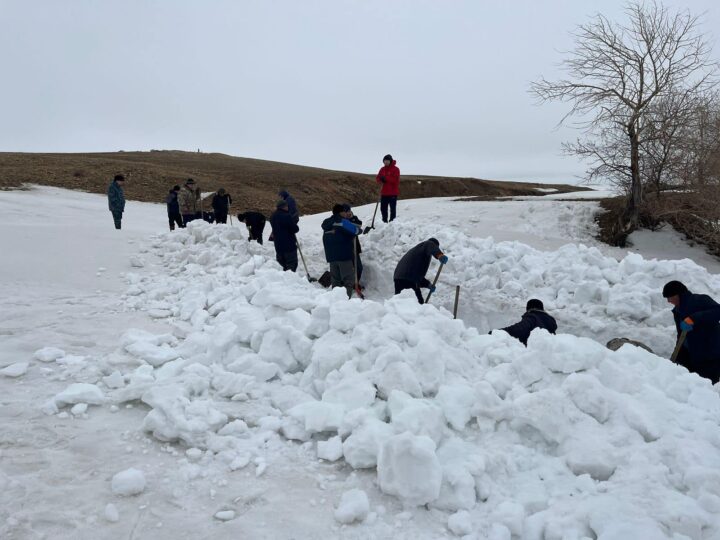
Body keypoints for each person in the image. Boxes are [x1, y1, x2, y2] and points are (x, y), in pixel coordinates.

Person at [663, 280, 720, 384]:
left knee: (707, 388)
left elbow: (718, 311)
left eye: (670, 297)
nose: (668, 301)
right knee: (687, 386)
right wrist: (677, 355)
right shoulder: (677, 311)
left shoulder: (700, 300)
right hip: (689, 356)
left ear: (678, 295)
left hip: (709, 356)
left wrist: (694, 318)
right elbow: (681, 335)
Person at [322, 205, 362, 297]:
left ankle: (336, 300)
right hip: (343, 255)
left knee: (335, 280)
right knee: (348, 279)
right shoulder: (342, 221)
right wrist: (358, 230)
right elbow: (356, 231)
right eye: (344, 211)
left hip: (331, 256)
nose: (345, 213)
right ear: (340, 212)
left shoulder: (327, 222)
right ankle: (345, 301)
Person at [393, 238, 447, 304]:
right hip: (408, 279)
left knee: (400, 303)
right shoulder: (426, 244)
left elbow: (417, 275)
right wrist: (439, 255)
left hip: (400, 278)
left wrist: (427, 284)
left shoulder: (418, 252)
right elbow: (429, 244)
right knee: (418, 304)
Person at [270, 200, 300, 271]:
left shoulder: (273, 216)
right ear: (284, 207)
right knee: (291, 264)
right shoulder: (286, 216)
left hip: (278, 246)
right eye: (287, 206)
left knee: (282, 265)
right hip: (289, 246)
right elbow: (295, 229)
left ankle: (284, 280)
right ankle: (290, 280)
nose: (287, 207)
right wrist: (294, 223)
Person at [343, 204, 364, 284]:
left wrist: (351, 219)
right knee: (348, 268)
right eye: (346, 211)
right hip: (345, 249)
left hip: (355, 248)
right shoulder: (341, 220)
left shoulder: (353, 218)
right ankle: (349, 284)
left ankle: (355, 283)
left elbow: (359, 225)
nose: (348, 213)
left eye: (349, 211)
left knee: (359, 268)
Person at [376, 154, 400, 223]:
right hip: (384, 193)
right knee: (383, 208)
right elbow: (377, 178)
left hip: (393, 193)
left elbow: (395, 180)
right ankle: (384, 221)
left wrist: (386, 179)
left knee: (392, 209)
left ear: (390, 161)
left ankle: (392, 222)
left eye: (387, 160)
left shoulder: (396, 169)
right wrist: (380, 179)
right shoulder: (382, 169)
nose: (386, 162)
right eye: (384, 161)